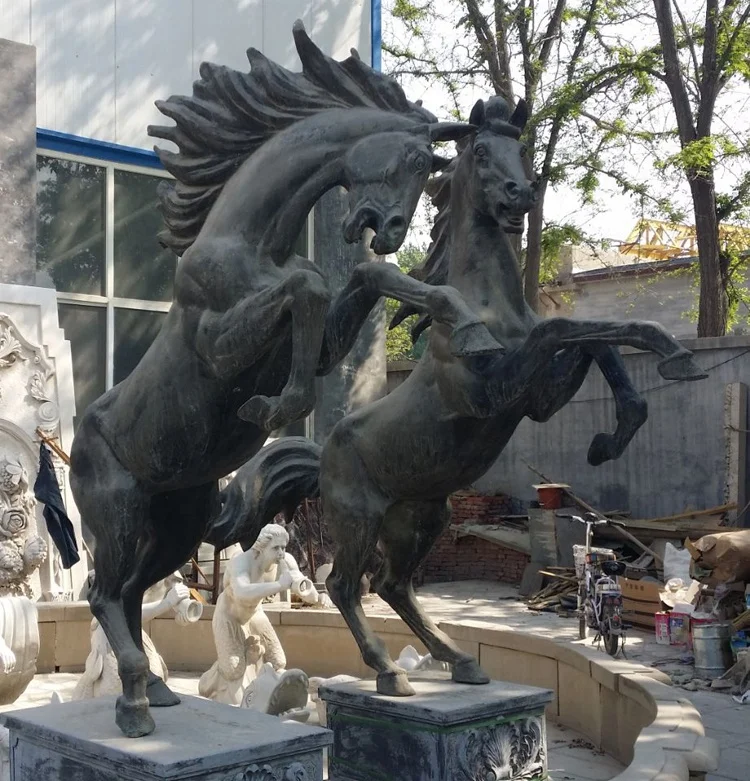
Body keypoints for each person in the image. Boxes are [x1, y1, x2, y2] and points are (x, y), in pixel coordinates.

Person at [198, 523, 324, 705]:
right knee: (233, 670)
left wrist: (313, 594)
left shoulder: (286, 561)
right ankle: (208, 682)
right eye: (276, 548)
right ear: (261, 548)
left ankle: (264, 687)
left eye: (283, 547)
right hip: (229, 616)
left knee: (278, 661)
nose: (281, 553)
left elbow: (308, 593)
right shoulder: (240, 561)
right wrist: (280, 585)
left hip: (255, 614)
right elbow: (241, 592)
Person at [72, 572, 196, 700]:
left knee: (154, 673)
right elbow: (122, 612)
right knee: (117, 685)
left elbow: (174, 594)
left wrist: (181, 609)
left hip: (134, 631)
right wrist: (167, 603)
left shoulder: (170, 563)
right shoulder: (124, 562)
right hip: (111, 632)